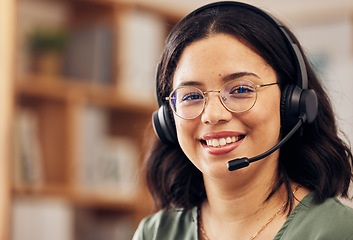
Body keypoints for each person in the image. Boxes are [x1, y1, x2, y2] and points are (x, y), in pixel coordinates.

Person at [133, 1, 353, 239]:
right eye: (192, 96)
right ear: (168, 118)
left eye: (240, 90)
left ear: (291, 103)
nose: (213, 115)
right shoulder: (155, 233)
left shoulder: (337, 231)